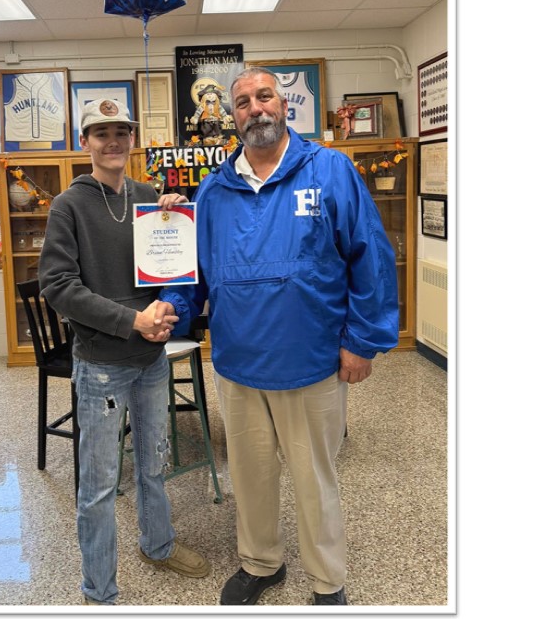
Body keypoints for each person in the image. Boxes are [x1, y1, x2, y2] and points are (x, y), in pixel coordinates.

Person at [159, 67, 400, 606]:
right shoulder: (215, 190)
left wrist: (362, 341)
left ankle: (327, 580)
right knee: (250, 475)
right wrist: (168, 250)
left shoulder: (330, 172)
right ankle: (261, 563)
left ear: (284, 104)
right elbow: (193, 275)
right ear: (233, 116)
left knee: (315, 479)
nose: (255, 109)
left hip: (311, 360)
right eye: (242, 102)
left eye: (264, 96)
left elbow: (371, 258)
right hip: (239, 361)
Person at [38, 97, 210, 605]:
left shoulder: (148, 195)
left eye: (121, 133)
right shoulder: (69, 205)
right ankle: (99, 590)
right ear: (85, 142)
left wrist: (174, 224)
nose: (112, 142)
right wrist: (130, 320)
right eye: (101, 133)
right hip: (100, 366)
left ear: (132, 139)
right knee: (98, 485)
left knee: (154, 461)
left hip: (150, 358)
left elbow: (171, 270)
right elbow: (58, 286)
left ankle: (158, 545)